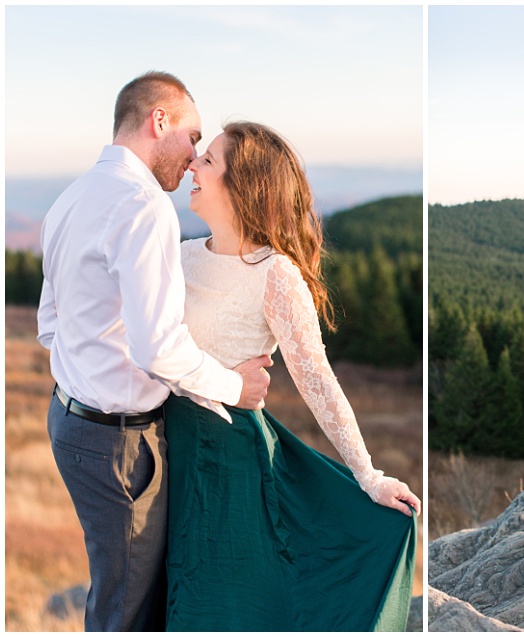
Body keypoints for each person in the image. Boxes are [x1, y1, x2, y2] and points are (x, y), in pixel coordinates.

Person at [36, 72, 272, 631]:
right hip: (119, 443)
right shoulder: (144, 206)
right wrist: (237, 387)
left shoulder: (70, 198)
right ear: (158, 121)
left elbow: (51, 324)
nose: (193, 158)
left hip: (71, 424)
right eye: (192, 138)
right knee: (128, 613)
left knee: (119, 592)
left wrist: (97, 361)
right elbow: (158, 348)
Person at [163, 121, 421, 631]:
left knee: (219, 607)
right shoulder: (181, 254)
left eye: (209, 161)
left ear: (245, 185)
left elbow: (318, 380)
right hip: (170, 446)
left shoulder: (275, 274)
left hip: (232, 462)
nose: (193, 164)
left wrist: (367, 475)